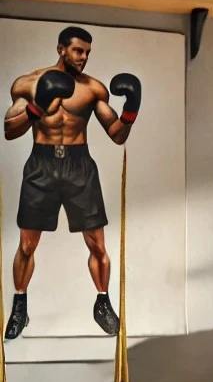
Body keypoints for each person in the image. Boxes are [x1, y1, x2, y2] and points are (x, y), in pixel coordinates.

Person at [2, 26, 141, 339]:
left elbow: (117, 134)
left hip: (80, 166)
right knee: (27, 244)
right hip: (41, 164)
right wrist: (38, 106)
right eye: (79, 51)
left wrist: (131, 109)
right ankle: (20, 305)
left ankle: (102, 303)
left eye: (88, 53)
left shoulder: (92, 89)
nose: (84, 58)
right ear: (61, 49)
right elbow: (10, 131)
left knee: (97, 244)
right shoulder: (28, 83)